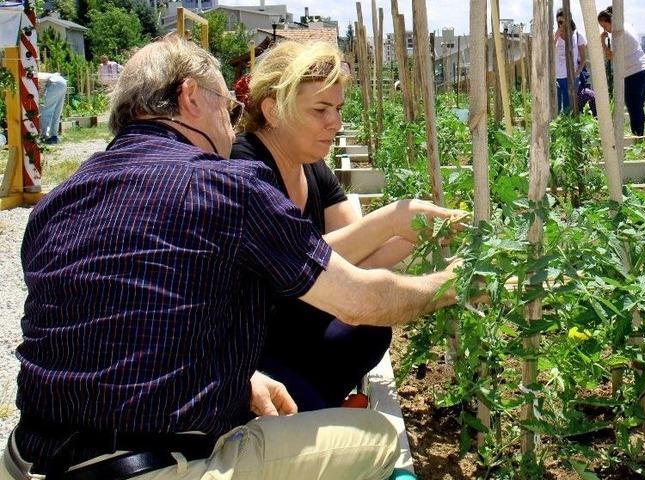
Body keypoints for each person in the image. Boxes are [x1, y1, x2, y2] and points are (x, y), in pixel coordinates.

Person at [4, 35, 468, 480]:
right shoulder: (227, 184)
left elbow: (121, 320)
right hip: (154, 465)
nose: (232, 125)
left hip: (30, 459)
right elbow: (361, 300)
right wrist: (460, 282)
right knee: (382, 439)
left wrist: (236, 380)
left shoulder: (56, 202)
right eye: (227, 108)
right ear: (190, 98)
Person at [231, 41, 446, 412]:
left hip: (296, 328)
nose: (336, 122)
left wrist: (418, 235)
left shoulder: (311, 165)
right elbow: (300, 264)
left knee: (370, 330)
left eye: (337, 108)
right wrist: (392, 218)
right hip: (250, 352)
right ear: (273, 110)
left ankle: (318, 406)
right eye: (320, 109)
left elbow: (357, 259)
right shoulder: (243, 167)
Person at [598, 6, 645, 137]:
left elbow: (611, 56)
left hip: (635, 74)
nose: (605, 30)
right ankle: (640, 135)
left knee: (634, 108)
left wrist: (602, 42)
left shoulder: (618, 33)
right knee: (638, 107)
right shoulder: (627, 26)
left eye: (604, 26)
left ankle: (637, 137)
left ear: (609, 20)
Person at [554, 9, 587, 115]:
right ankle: (558, 131)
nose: (561, 24)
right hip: (556, 77)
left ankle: (570, 131)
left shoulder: (577, 35)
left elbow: (583, 59)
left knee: (569, 108)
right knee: (557, 109)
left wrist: (576, 74)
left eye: (563, 21)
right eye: (559, 22)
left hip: (571, 77)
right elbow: (548, 54)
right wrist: (555, 38)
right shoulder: (555, 36)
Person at [36, 71, 67, 144]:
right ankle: (54, 136)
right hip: (62, 82)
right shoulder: (39, 74)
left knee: (46, 110)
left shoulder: (32, 78)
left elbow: (39, 92)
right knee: (57, 111)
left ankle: (45, 136)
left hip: (54, 83)